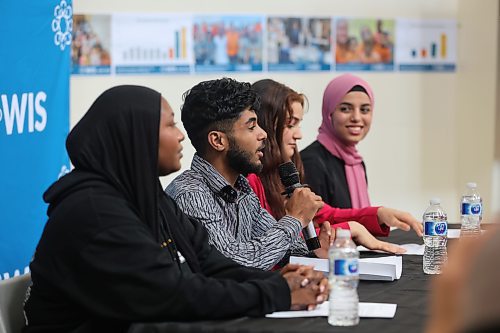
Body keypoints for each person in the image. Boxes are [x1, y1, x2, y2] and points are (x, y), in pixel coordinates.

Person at [23, 85, 328, 332]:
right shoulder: (93, 211)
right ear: (136, 136)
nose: (181, 135)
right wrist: (278, 293)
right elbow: (170, 293)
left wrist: (276, 282)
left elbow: (209, 261)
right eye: (170, 124)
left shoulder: (145, 196)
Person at [166, 78, 327, 271]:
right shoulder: (191, 194)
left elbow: (286, 252)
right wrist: (294, 219)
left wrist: (316, 254)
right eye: (251, 127)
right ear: (218, 140)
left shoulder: (241, 186)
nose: (263, 134)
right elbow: (235, 265)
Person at [250, 79, 421, 251]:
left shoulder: (283, 170)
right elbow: (276, 244)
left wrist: (378, 214)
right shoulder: (254, 179)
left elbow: (324, 213)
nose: (299, 134)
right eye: (290, 124)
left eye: (365, 110)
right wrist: (348, 229)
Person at [301, 73, 375, 209]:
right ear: (329, 112)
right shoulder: (311, 162)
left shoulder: (356, 162)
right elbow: (317, 225)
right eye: (345, 109)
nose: (357, 118)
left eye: (365, 110)